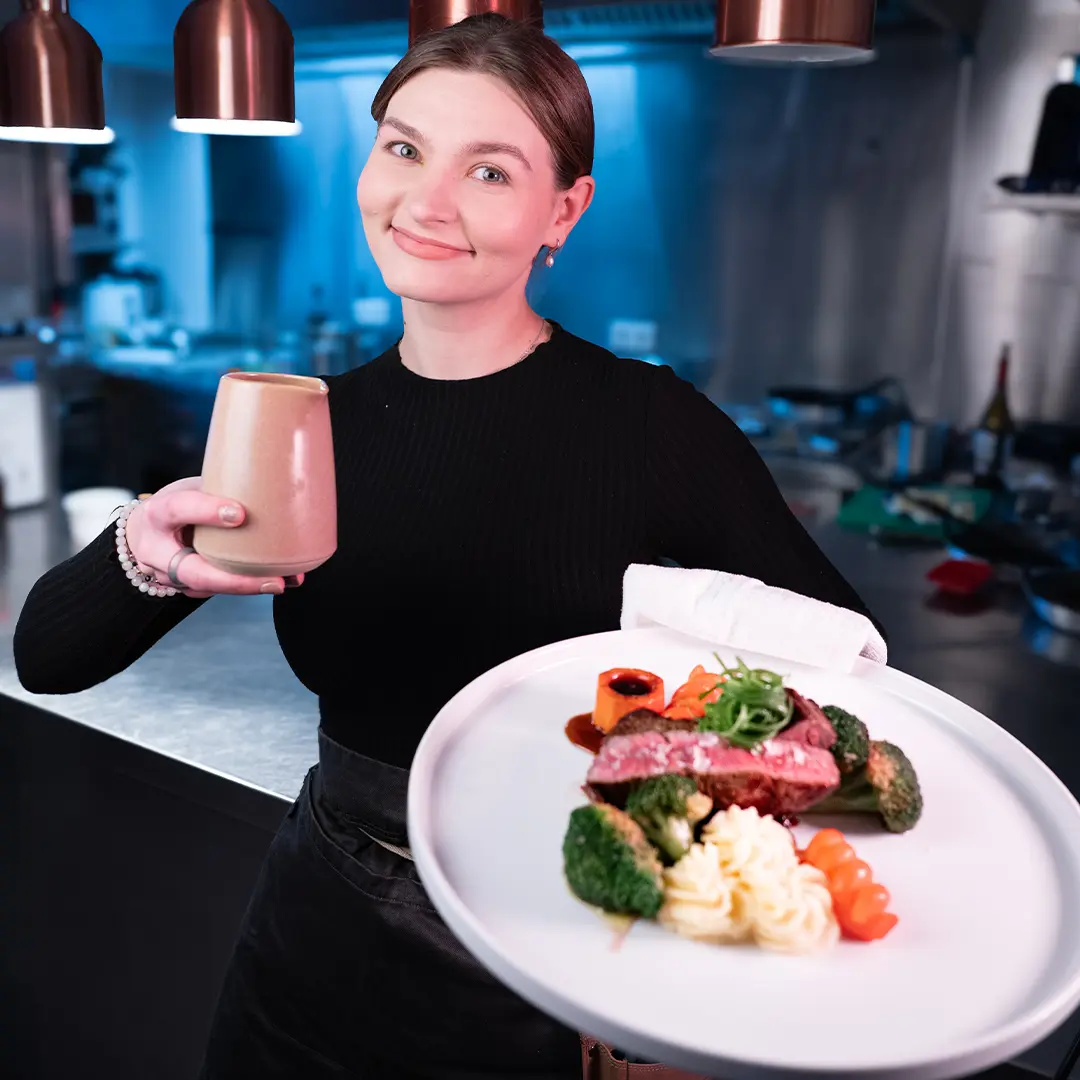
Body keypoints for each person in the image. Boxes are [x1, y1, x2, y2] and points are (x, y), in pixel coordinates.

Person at [13, 14, 878, 1080]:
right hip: (315, 934)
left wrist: (699, 868)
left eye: (490, 170)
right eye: (404, 147)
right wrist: (140, 550)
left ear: (564, 210)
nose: (423, 202)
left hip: (557, 950)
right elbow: (48, 659)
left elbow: (857, 694)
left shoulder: (654, 428)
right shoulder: (307, 418)